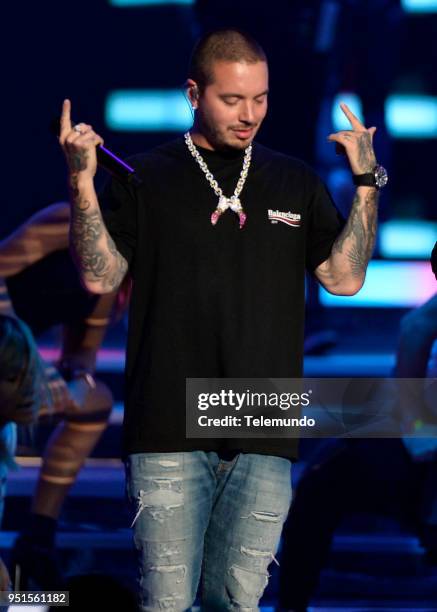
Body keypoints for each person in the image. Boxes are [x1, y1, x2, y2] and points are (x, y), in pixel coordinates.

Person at [59, 28, 385, 611]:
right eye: (232, 100)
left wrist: (366, 182)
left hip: (263, 421)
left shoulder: (294, 180)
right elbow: (99, 277)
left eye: (259, 99)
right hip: (168, 422)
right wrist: (82, 180)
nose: (249, 114)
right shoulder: (146, 178)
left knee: (237, 603)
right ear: (194, 93)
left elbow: (345, 278)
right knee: (166, 603)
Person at [0, 202, 124, 589]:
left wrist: (76, 377)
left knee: (96, 400)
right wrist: (23, 358)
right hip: (7, 351)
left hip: (18, 375)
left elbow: (82, 356)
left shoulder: (117, 273)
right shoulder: (67, 222)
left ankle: (38, 536)